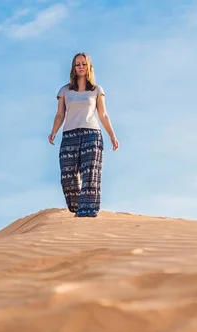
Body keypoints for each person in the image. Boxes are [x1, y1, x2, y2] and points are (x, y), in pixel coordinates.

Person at [48, 52, 120, 217]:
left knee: (90, 173)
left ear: (89, 67)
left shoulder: (96, 90)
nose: (81, 67)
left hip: (91, 135)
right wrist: (53, 132)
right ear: (73, 68)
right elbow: (60, 114)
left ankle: (88, 211)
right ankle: (77, 208)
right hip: (69, 136)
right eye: (77, 64)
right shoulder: (65, 90)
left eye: (84, 64)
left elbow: (103, 115)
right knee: (68, 175)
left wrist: (112, 136)